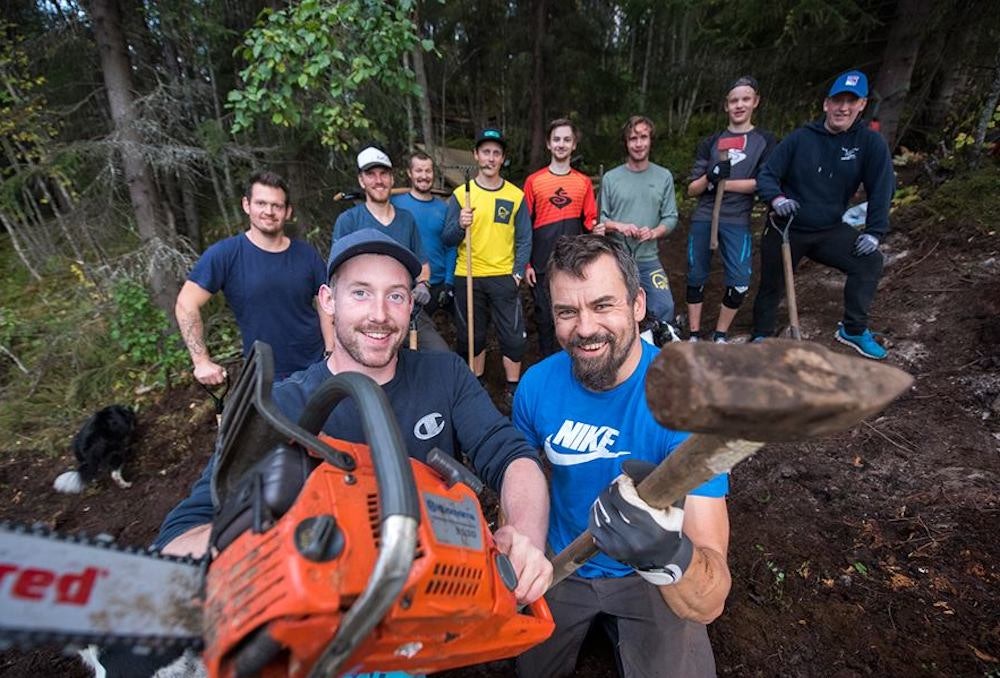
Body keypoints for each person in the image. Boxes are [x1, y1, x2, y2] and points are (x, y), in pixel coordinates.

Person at [157, 229, 552, 610]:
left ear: (411, 304)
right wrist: (278, 539)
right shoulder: (283, 406)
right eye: (360, 293)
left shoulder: (444, 374)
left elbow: (512, 455)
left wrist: (525, 538)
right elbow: (181, 535)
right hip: (325, 617)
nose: (379, 315)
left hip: (433, 597)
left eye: (395, 296)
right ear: (328, 301)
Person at [513, 235, 730, 678]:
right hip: (561, 564)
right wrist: (524, 546)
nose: (585, 328)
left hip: (645, 577)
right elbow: (523, 477)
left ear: (637, 305)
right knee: (527, 667)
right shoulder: (535, 386)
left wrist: (668, 557)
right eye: (567, 312)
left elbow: (711, 598)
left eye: (603, 305)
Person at [751, 69, 894, 359]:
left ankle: (852, 330)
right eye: (837, 100)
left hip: (829, 228)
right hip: (786, 227)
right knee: (771, 284)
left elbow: (881, 188)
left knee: (869, 263)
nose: (843, 108)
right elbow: (766, 175)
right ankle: (761, 336)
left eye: (850, 101)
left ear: (862, 105)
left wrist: (875, 231)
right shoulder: (800, 138)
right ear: (826, 104)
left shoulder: (868, 143)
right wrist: (777, 198)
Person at [175, 170, 332, 383]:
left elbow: (327, 305)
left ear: (287, 212)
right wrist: (201, 361)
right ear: (246, 205)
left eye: (277, 205)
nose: (269, 211)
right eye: (261, 203)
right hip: (265, 378)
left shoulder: (306, 254)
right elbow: (186, 303)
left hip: (318, 370)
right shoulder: (225, 255)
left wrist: (331, 354)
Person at [442, 128, 531, 404]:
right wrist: (460, 224)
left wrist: (517, 274)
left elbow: (525, 239)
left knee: (513, 338)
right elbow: (447, 239)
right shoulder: (461, 195)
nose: (490, 158)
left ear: (502, 158)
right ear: (476, 155)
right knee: (472, 336)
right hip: (468, 276)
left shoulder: (516, 196)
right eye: (485, 152)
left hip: (504, 276)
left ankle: (513, 389)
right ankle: (476, 386)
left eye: (496, 153)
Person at [331, 146, 449, 352]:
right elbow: (335, 277)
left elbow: (423, 266)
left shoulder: (406, 219)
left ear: (392, 179)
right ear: (361, 181)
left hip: (405, 310)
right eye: (371, 175)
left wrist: (423, 285)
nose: (378, 180)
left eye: (384, 174)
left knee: (440, 355)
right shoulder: (349, 221)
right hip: (364, 314)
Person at [686, 76, 776, 343]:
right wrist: (710, 177)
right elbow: (692, 188)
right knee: (695, 276)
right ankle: (692, 334)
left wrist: (726, 183)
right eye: (734, 100)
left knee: (739, 282)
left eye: (745, 99)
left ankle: (720, 335)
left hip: (737, 219)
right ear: (726, 105)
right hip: (704, 217)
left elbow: (765, 182)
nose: (739, 105)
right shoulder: (711, 142)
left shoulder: (765, 141)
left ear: (755, 102)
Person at [594, 115, 680, 345]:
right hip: (617, 258)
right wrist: (618, 226)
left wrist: (654, 232)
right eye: (633, 138)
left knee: (664, 305)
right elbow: (599, 220)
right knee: (618, 308)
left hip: (648, 257)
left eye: (643, 137)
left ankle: (653, 351)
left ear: (650, 140)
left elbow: (671, 217)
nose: (638, 143)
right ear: (626, 142)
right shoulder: (611, 178)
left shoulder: (663, 176)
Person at [523, 118, 597, 356]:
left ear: (574, 144)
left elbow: (590, 222)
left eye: (567, 139)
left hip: (574, 262)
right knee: (545, 317)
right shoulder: (534, 181)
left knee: (574, 313)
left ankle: (575, 361)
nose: (561, 144)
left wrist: (598, 229)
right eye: (556, 139)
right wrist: (526, 263)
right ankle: (548, 364)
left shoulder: (583, 182)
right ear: (548, 144)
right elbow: (524, 226)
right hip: (542, 261)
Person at [391, 151, 457, 320]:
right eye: (419, 171)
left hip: (439, 284)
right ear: (409, 173)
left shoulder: (443, 208)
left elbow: (450, 247)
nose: (424, 176)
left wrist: (449, 282)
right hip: (407, 285)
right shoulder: (395, 205)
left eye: (428, 171)